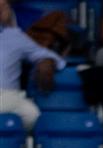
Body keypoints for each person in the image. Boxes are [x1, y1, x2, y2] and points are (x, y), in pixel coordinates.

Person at [0, 0, 62, 131]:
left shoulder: (14, 35)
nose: (2, 6)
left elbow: (46, 55)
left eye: (5, 4)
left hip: (10, 97)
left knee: (34, 116)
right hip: (8, 100)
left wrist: (46, 61)